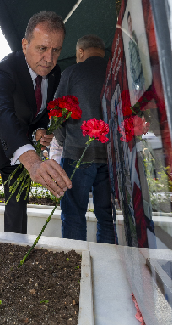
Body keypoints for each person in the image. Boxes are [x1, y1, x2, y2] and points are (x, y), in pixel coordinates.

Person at [0, 11, 72, 234]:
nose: (49, 59)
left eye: (56, 50)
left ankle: (17, 255)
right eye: (42, 49)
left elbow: (39, 111)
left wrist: (40, 128)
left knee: (18, 209)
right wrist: (33, 161)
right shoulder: (2, 71)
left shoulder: (55, 73)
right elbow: (3, 113)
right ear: (25, 44)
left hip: (20, 148)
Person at [53, 34, 116, 243]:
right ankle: (108, 267)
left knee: (73, 214)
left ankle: (74, 266)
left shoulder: (72, 73)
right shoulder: (115, 74)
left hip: (78, 154)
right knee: (107, 218)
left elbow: (57, 114)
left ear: (80, 52)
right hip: (110, 157)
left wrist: (65, 142)